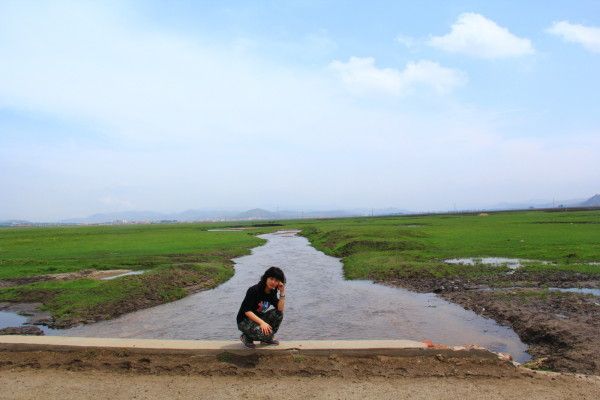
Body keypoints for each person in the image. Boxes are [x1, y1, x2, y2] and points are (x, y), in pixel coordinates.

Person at [237, 266, 286, 348]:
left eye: (276, 280)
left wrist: (282, 292)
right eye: (271, 278)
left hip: (258, 319)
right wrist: (262, 323)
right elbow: (247, 311)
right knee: (267, 335)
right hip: (244, 321)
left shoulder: (272, 292)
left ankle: (266, 339)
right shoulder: (254, 290)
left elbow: (280, 308)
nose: (273, 282)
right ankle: (246, 337)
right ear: (266, 278)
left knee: (278, 313)